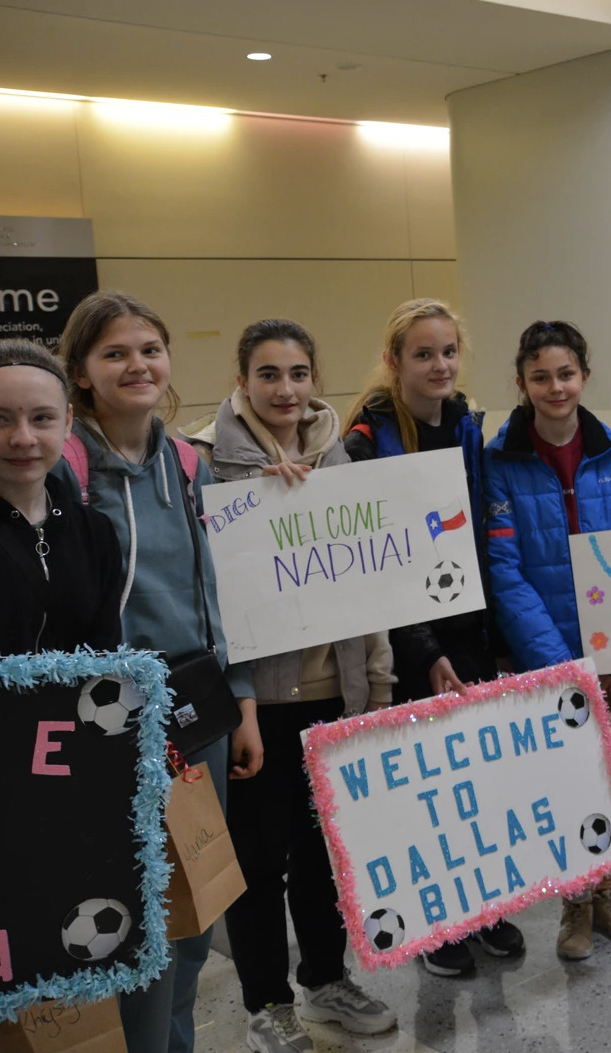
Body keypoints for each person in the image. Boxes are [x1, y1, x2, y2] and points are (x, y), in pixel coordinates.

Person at [186, 320, 396, 1053]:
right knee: (255, 862)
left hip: (332, 696)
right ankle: (266, 1004)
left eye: (299, 373)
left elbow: (371, 578)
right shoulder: (205, 465)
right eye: (269, 374)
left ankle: (326, 981)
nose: (286, 389)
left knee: (322, 852)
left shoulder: (339, 455)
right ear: (243, 381)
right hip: (255, 708)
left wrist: (375, 686)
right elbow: (204, 591)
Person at [57, 292, 252, 1053]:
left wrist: (239, 697)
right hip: (109, 721)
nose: (137, 365)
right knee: (135, 915)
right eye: (114, 353)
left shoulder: (186, 460)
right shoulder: (67, 463)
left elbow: (210, 590)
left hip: (194, 714)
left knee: (194, 906)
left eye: (149, 349)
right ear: (80, 372)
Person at [342, 298, 527, 976]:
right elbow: (374, 566)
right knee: (422, 787)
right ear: (394, 361)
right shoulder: (365, 439)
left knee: (474, 775)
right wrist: (427, 652)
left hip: (469, 627)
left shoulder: (465, 425)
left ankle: (484, 908)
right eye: (423, 354)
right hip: (408, 643)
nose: (440, 365)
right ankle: (432, 924)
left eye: (449, 351)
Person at [482, 318, 611, 959]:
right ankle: (572, 904)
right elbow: (505, 572)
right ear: (522, 382)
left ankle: (605, 891)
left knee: (610, 777)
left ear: (584, 375)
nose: (556, 387)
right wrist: (561, 663)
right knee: (559, 783)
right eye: (541, 376)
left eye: (567, 374)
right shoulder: (499, 462)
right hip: (544, 656)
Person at [0, 339, 121, 656]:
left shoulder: (94, 533)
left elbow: (105, 660)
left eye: (42, 418)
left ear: (68, 422)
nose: (23, 438)